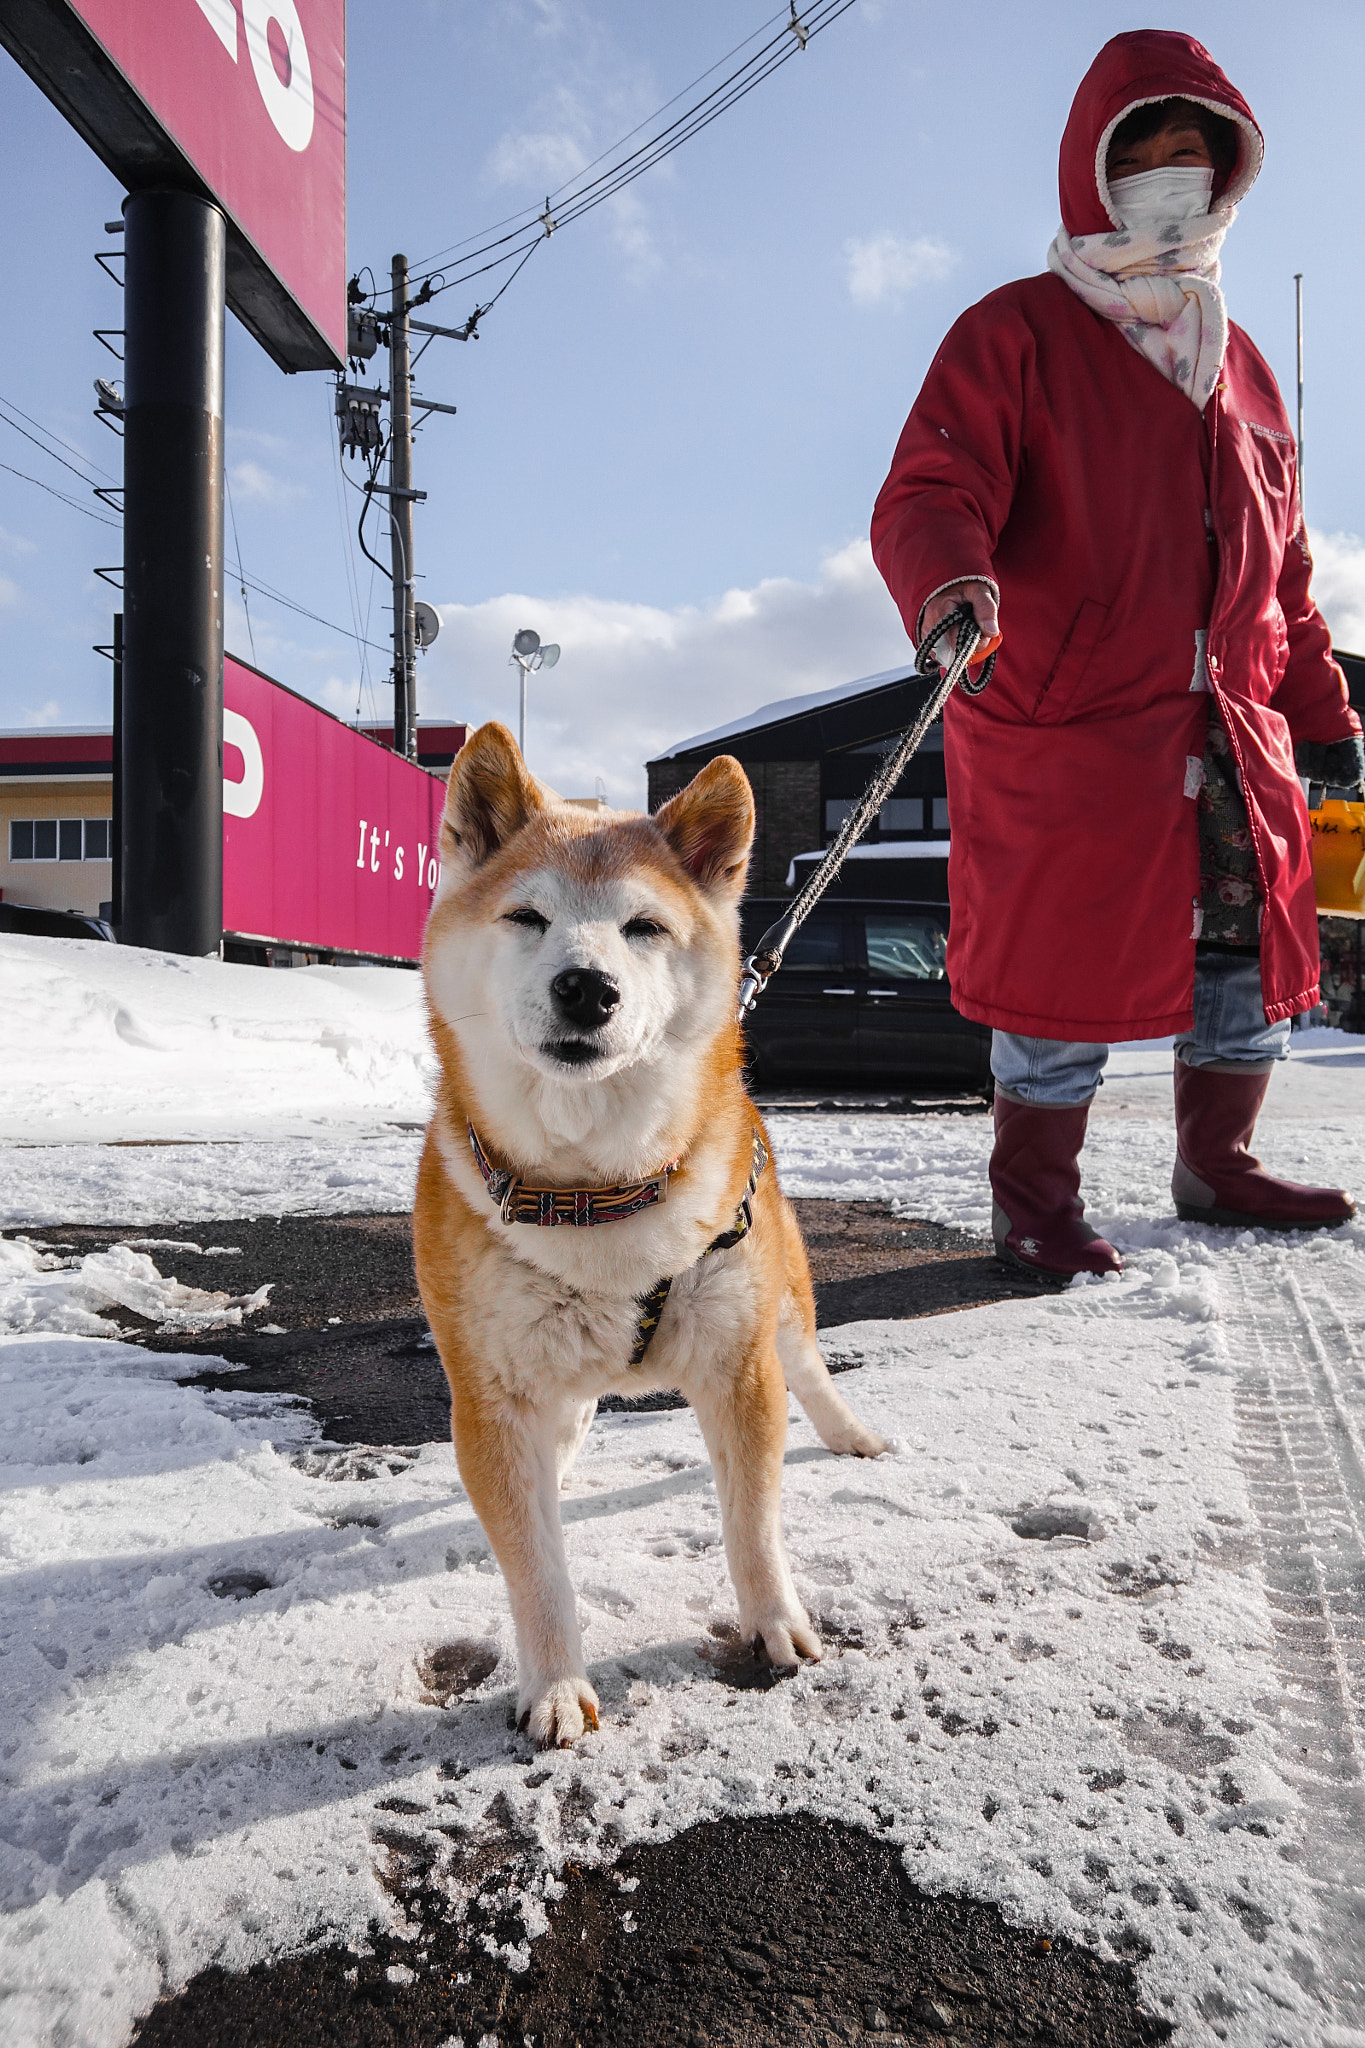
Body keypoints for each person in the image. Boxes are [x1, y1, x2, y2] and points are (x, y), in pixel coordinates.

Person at [871, 29, 1364, 1284]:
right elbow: (932, 485)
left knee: (1240, 960)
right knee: (1054, 983)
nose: (1162, 175)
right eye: (1133, 150)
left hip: (1230, 721)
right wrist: (953, 582)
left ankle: (1221, 1163)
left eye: (1186, 153)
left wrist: (1318, 701)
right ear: (1088, 170)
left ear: (1227, 175)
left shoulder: (1243, 364)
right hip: (1067, 720)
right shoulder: (1016, 332)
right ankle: (1033, 1198)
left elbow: (1283, 570)